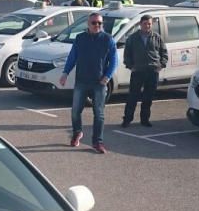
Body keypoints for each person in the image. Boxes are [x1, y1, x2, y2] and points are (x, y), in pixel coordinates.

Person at [58, 12, 117, 154]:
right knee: (75, 111)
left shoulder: (108, 39)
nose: (97, 25)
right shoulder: (80, 38)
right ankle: (77, 132)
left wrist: (107, 76)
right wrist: (65, 73)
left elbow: (114, 60)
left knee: (99, 113)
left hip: (99, 82)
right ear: (88, 24)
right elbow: (73, 57)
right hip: (82, 81)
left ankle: (98, 142)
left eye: (100, 23)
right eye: (94, 23)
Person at [121, 15, 168, 128]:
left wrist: (161, 65)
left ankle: (145, 119)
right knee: (133, 96)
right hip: (138, 71)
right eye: (145, 23)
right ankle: (127, 119)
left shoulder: (157, 37)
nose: (147, 26)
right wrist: (130, 66)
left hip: (152, 71)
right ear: (140, 24)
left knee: (148, 97)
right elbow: (127, 54)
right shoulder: (132, 38)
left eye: (149, 24)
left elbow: (164, 53)